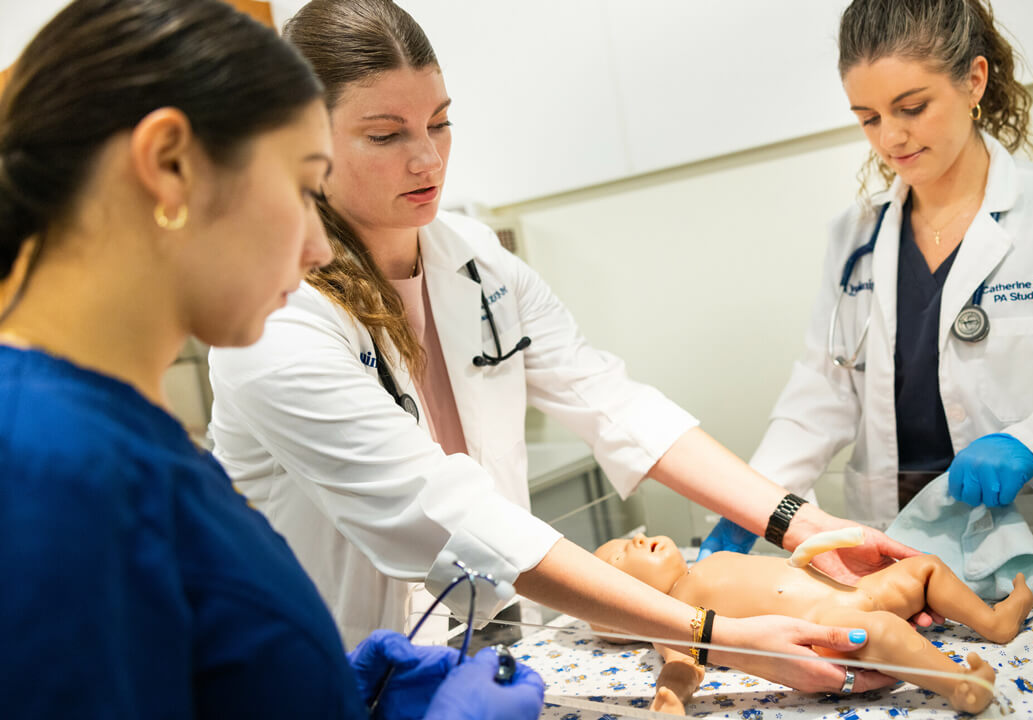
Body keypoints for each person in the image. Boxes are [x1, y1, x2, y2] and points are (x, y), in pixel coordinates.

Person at [206, 0, 906, 696]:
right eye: (385, 135)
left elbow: (612, 403)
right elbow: (445, 513)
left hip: (495, 645)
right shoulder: (276, 320)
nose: (428, 157)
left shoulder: (475, 262)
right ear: (304, 144)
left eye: (440, 122)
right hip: (338, 670)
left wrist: (805, 526)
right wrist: (709, 631)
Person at [0, 0, 540, 717]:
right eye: (302, 185)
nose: (318, 247)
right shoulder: (42, 463)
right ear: (168, 165)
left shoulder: (120, 433)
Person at [702, 0, 1033, 563]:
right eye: (868, 117)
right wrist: (756, 497)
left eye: (911, 107)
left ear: (973, 80)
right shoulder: (854, 238)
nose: (890, 137)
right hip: (896, 538)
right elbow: (821, 392)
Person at [596, 533, 1033, 714]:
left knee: (926, 568)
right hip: (823, 625)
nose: (634, 540)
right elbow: (683, 664)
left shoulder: (706, 564)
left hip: (848, 592)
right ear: (628, 607)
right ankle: (961, 687)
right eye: (620, 556)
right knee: (879, 631)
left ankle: (994, 622)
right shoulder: (672, 619)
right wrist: (671, 697)